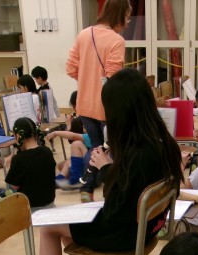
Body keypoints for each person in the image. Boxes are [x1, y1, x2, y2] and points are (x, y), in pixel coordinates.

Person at [39, 68, 182, 255]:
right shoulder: (162, 140)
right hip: (149, 228)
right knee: (69, 226)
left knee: (48, 228)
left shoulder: (140, 153)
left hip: (126, 233)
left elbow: (117, 209)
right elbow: (133, 189)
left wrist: (106, 168)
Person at [66, 0, 130, 203]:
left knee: (96, 147)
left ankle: (87, 189)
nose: (127, 21)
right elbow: (113, 76)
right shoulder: (117, 40)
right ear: (118, 15)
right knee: (114, 150)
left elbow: (70, 68)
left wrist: (87, 81)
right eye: (126, 16)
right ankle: (111, 192)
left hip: (85, 105)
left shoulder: (84, 34)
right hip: (107, 107)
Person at [5, 117, 56, 211]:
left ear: (18, 136)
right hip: (50, 203)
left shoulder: (19, 158)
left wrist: (8, 166)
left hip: (30, 207)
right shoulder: (47, 151)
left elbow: (14, 186)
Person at [45, 115, 90, 190]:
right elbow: (71, 135)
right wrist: (68, 123)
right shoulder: (85, 135)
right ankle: (61, 179)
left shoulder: (89, 137)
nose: (84, 128)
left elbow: (72, 136)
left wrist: (55, 132)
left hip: (91, 170)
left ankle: (74, 180)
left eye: (85, 127)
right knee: (61, 166)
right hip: (87, 165)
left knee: (75, 145)